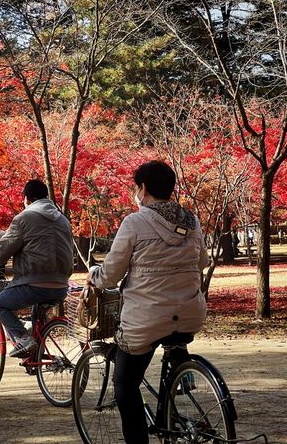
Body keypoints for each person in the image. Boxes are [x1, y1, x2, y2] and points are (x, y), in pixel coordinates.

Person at [86, 160, 209, 444]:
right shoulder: (191, 222)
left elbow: (111, 274)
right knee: (174, 339)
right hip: (191, 312)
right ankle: (179, 383)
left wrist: (94, 275)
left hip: (146, 319)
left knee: (125, 383)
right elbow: (202, 261)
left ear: (142, 189)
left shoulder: (135, 222)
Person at [0, 179, 74, 358]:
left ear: (26, 199)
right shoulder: (63, 220)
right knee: (37, 315)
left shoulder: (24, 218)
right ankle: (35, 354)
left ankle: (23, 338)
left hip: (33, 283)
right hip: (61, 285)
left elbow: (3, 249)